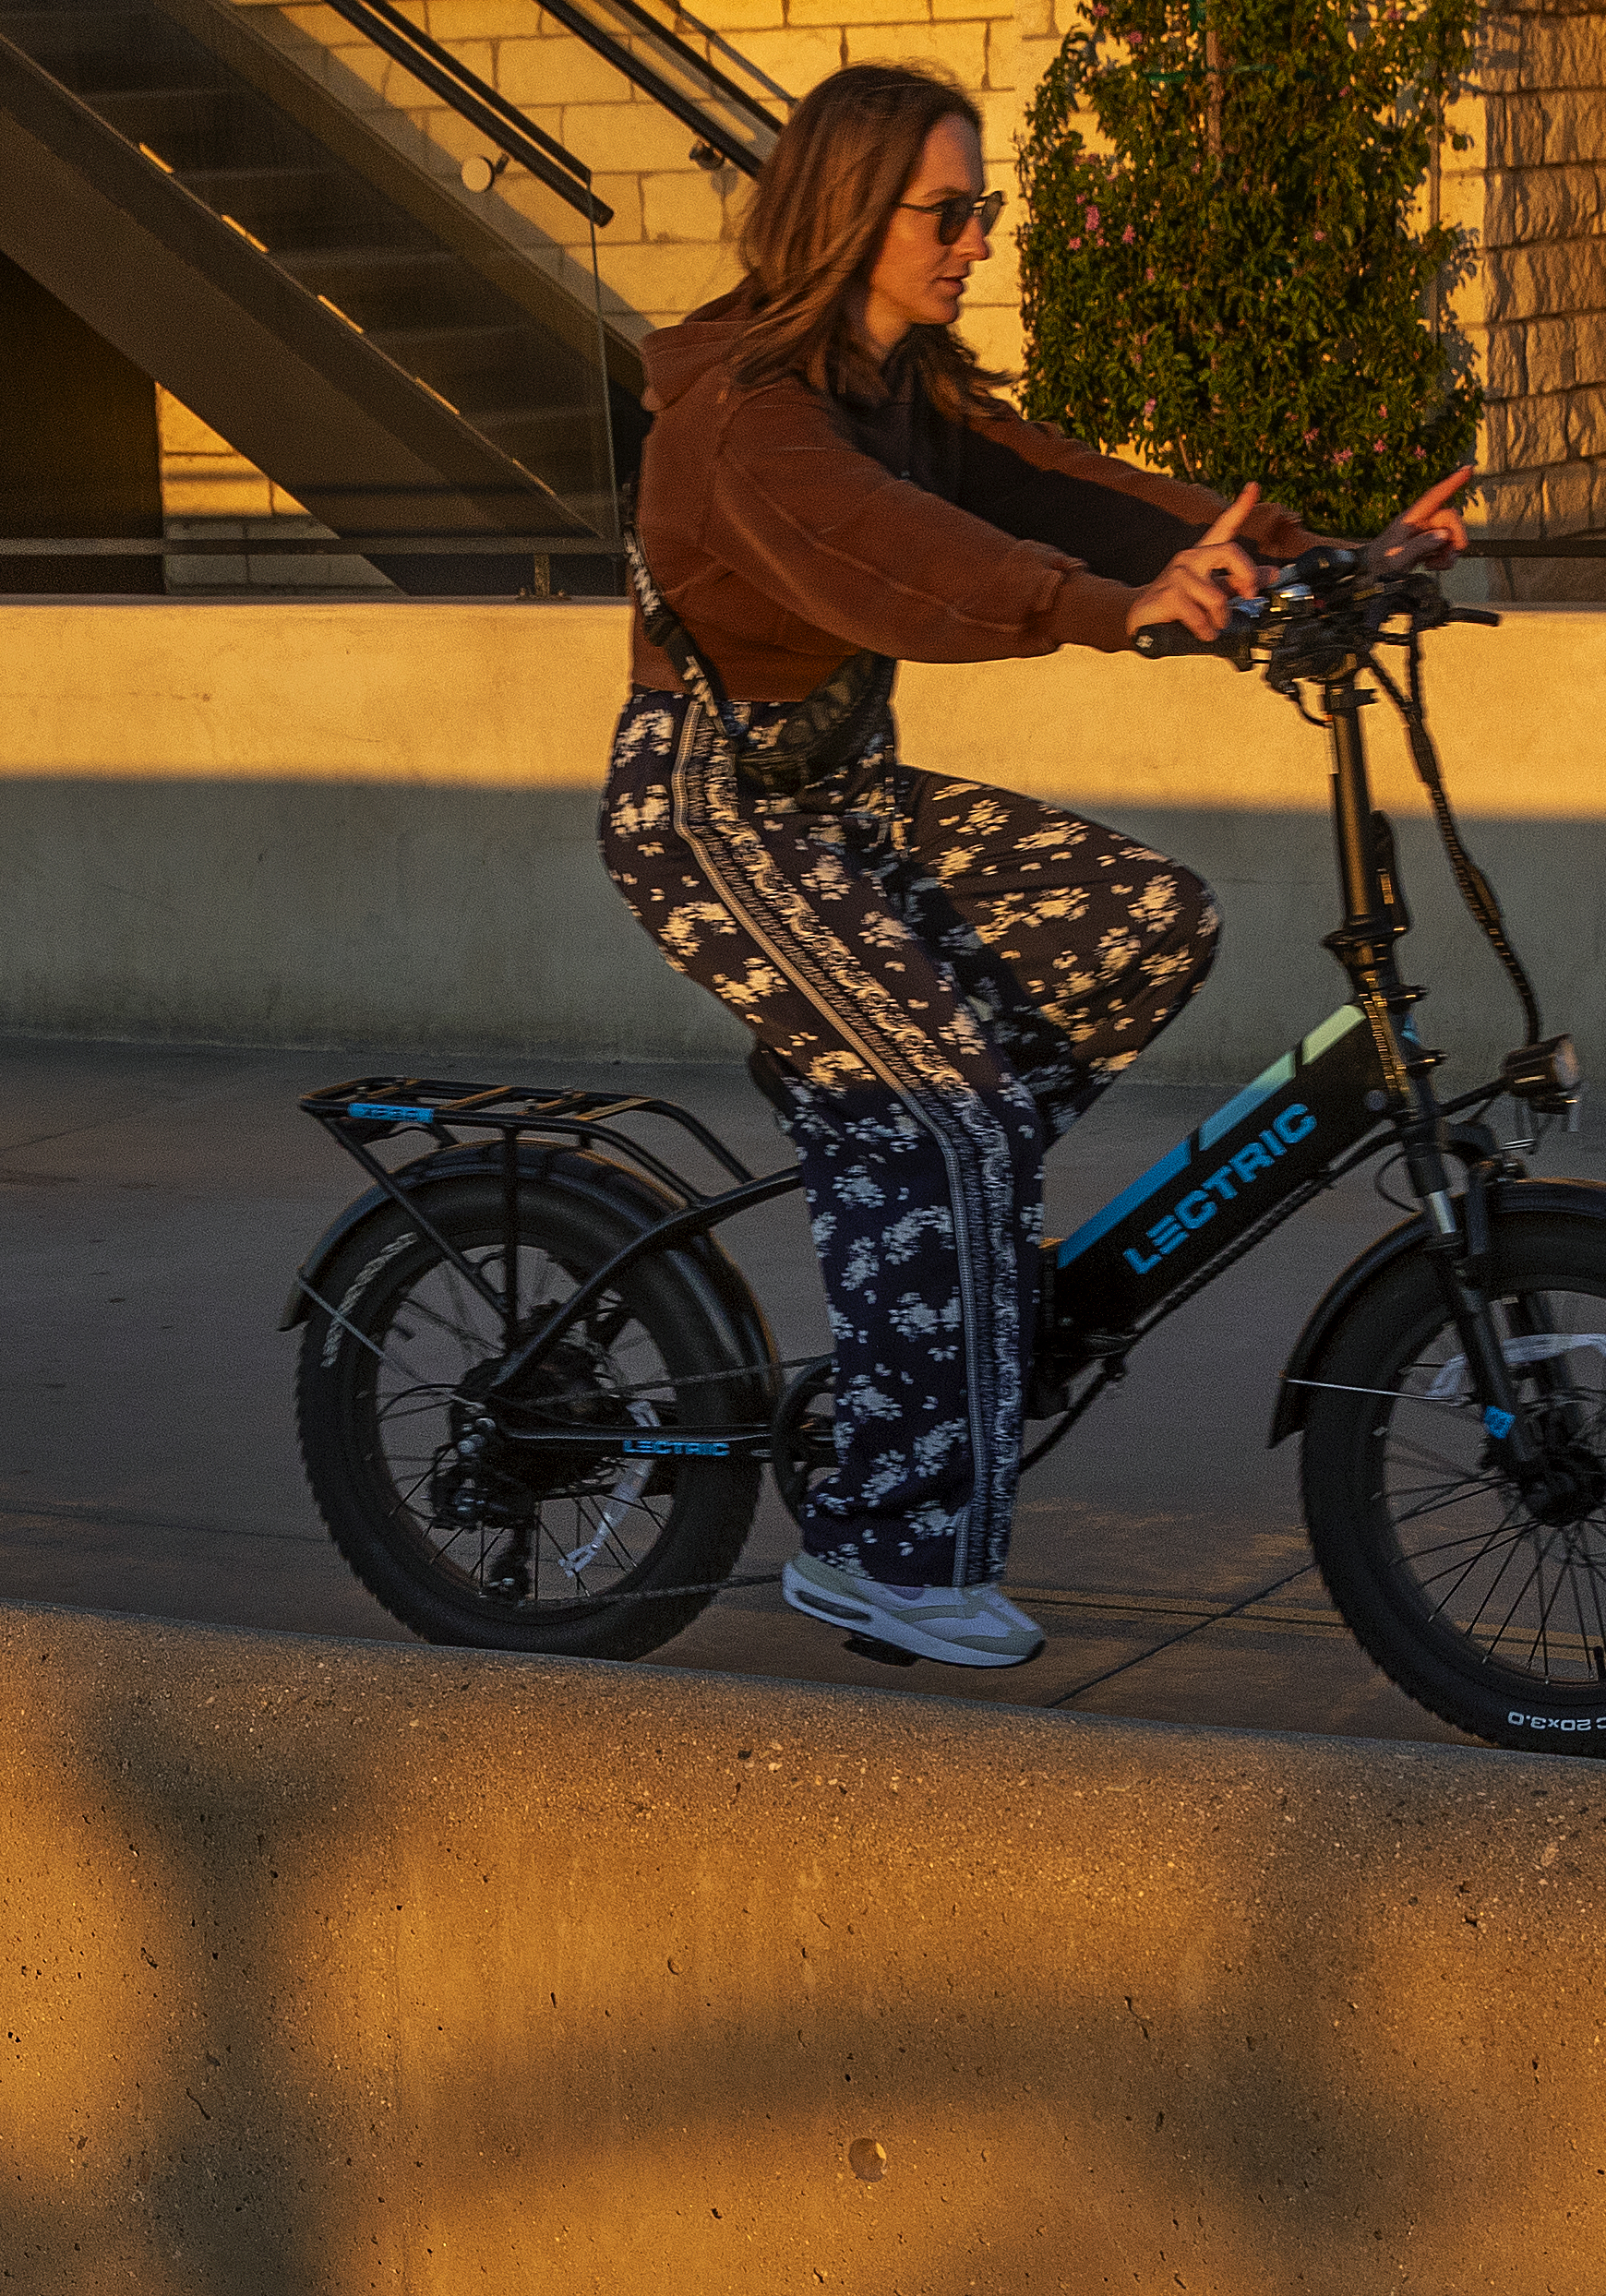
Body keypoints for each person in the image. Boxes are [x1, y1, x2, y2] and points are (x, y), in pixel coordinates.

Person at [608, 62, 1466, 1669]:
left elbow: (1065, 488)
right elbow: (904, 557)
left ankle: (917, 1190)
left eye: (980, 208)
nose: (975, 242)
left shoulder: (907, 396)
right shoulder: (747, 418)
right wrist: (1104, 609)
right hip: (713, 814)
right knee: (945, 1111)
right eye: (949, 211)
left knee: (1146, 923)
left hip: (842, 802)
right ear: (853, 213)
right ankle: (879, 1550)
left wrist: (1314, 559)